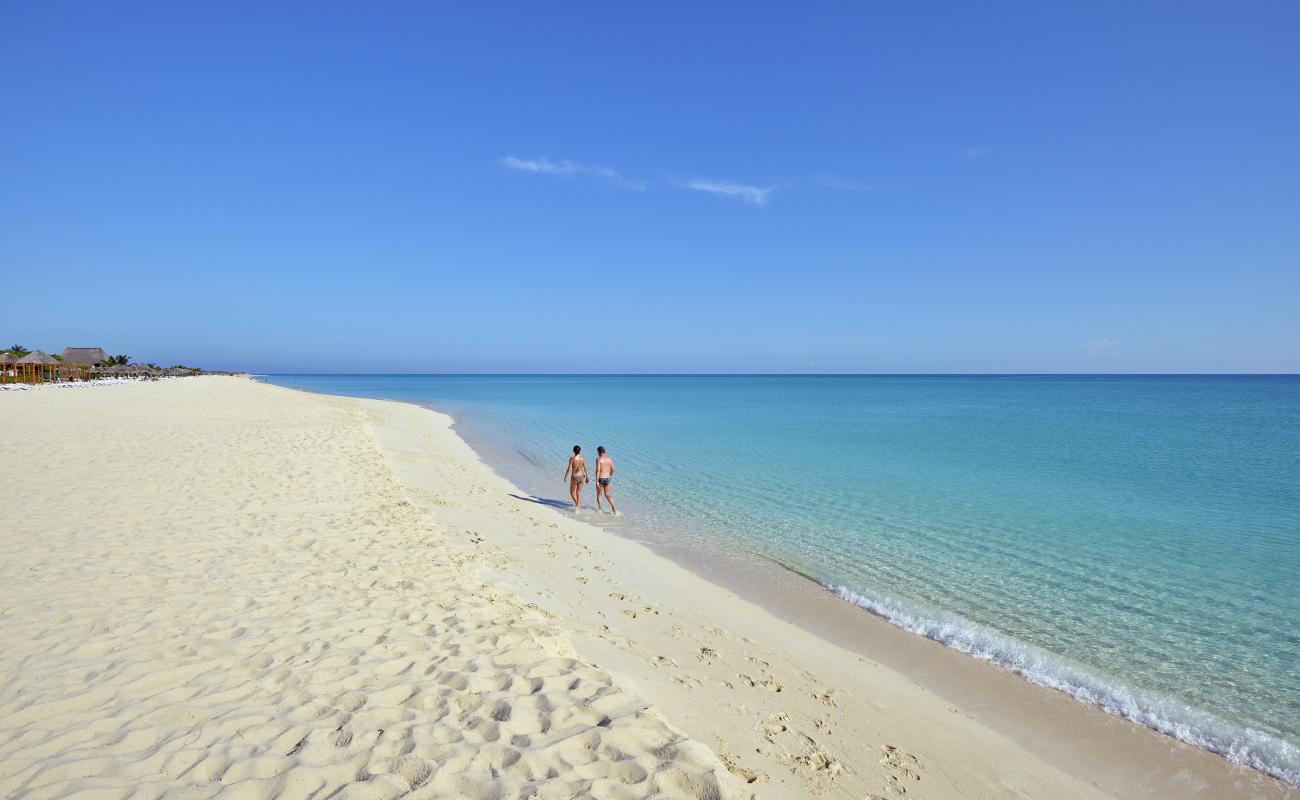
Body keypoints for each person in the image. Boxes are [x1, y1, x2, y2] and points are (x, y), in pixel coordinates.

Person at [563, 444, 588, 511]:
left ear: (573, 451)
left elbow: (569, 469)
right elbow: (585, 468)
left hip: (574, 477)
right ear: (580, 451)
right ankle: (577, 505)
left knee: (572, 492)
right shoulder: (582, 459)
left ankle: (577, 505)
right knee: (578, 492)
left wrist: (565, 477)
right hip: (582, 477)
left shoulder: (572, 459)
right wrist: (587, 477)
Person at [594, 446, 617, 515]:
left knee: (599, 495)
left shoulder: (598, 459)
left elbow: (598, 471)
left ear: (599, 452)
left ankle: (600, 510)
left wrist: (596, 481)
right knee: (607, 494)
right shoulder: (610, 459)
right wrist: (609, 475)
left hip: (600, 478)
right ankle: (614, 508)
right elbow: (613, 469)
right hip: (607, 478)